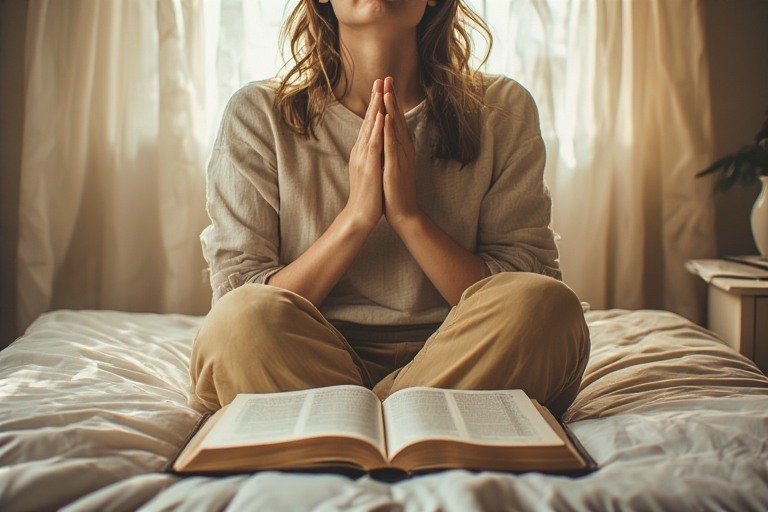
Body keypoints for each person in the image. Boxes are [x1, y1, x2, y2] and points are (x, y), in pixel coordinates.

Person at [189, 0, 590, 418]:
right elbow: (241, 291)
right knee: (239, 322)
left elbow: (524, 277)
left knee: (547, 305)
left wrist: (408, 216)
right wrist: (356, 219)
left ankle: (359, 417)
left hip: (465, 349)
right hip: (310, 355)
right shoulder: (258, 114)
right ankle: (410, 415)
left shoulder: (503, 109)